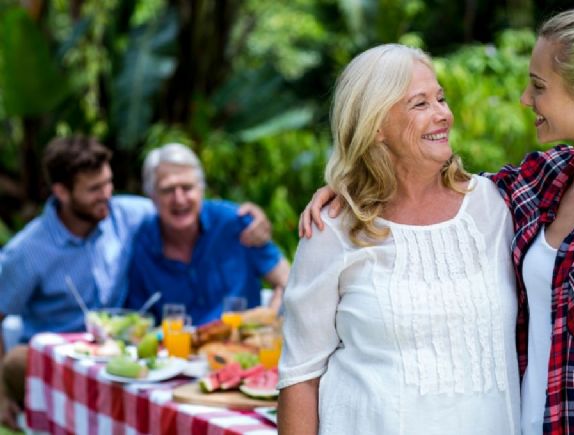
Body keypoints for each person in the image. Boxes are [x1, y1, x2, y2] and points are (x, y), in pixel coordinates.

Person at [300, 8, 574, 435]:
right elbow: (432, 191)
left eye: (539, 86)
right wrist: (350, 186)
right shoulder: (543, 181)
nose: (525, 99)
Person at [277, 44, 521, 434]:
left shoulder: (494, 206)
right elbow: (300, 376)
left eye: (441, 98)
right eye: (420, 104)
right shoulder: (333, 228)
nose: (443, 114)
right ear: (375, 126)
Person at [0, 136, 272, 430]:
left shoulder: (125, 214)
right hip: (57, 362)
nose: (106, 195)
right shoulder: (28, 251)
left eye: (108, 183)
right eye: (94, 189)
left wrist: (251, 217)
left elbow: (183, 206)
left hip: (118, 360)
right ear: (62, 192)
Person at [124, 143, 290, 326]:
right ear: (152, 196)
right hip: (178, 344)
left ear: (201, 189)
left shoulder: (236, 223)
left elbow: (288, 282)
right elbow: (138, 321)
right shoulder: (142, 246)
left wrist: (269, 323)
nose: (179, 199)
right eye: (168, 190)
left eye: (187, 187)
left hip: (243, 342)